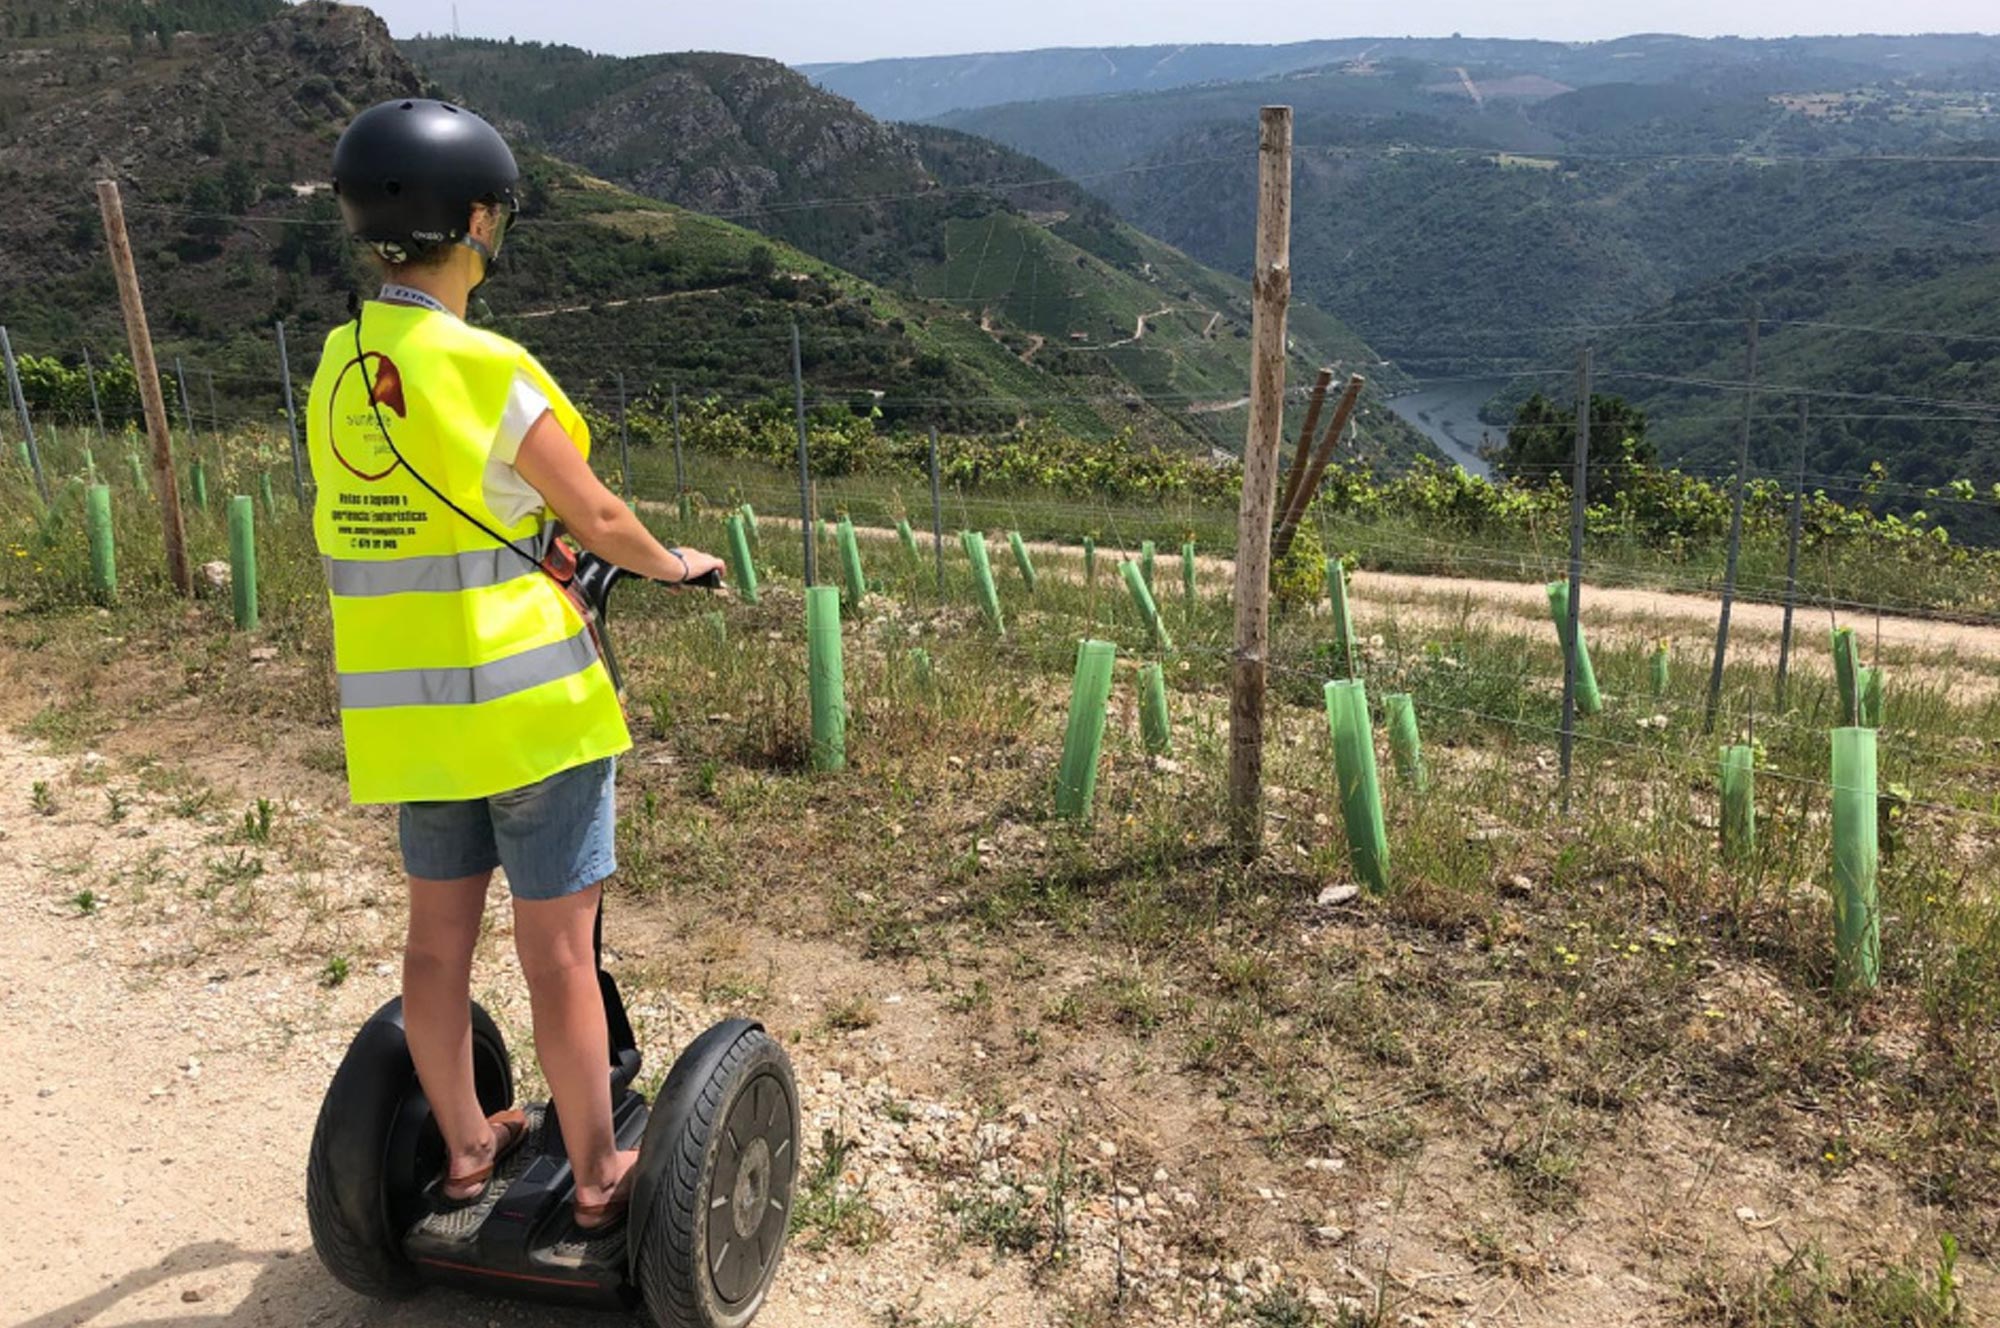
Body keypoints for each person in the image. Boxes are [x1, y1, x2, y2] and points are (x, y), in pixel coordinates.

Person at [307, 98, 725, 1231]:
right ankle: (598, 1177)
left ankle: (461, 1150)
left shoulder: (338, 371)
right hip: (531, 712)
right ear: (479, 221)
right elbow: (589, 510)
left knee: (434, 946)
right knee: (554, 951)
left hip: (410, 721)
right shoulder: (486, 364)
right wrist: (673, 563)